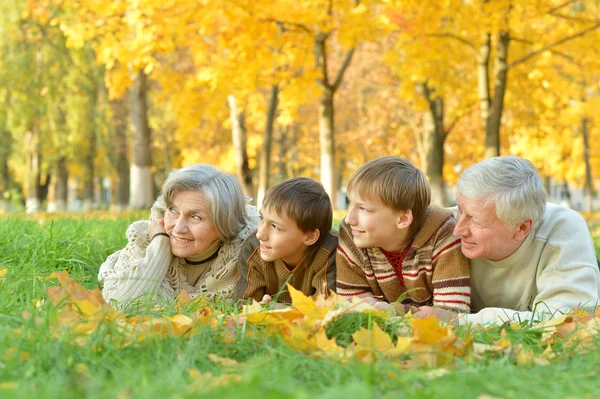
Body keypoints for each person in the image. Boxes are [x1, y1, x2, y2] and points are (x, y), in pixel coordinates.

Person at [444, 155, 600, 325]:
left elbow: (566, 320)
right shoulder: (440, 226)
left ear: (521, 228)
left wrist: (459, 321)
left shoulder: (564, 231)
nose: (458, 229)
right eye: (460, 209)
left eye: (475, 220)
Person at [98, 164, 260, 307]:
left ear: (223, 222)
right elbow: (118, 301)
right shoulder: (149, 236)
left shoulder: (250, 249)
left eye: (195, 217)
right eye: (173, 210)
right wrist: (159, 248)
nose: (178, 228)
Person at [336, 156, 471, 314]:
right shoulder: (352, 232)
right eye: (350, 203)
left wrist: (390, 311)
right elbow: (350, 301)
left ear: (402, 219)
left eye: (363, 209)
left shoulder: (442, 234)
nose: (349, 219)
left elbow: (452, 313)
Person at [236, 178, 337, 303]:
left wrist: (275, 311)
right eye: (261, 218)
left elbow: (325, 308)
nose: (260, 235)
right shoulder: (253, 248)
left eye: (275, 226)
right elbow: (244, 308)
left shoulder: (331, 251)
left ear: (309, 236)